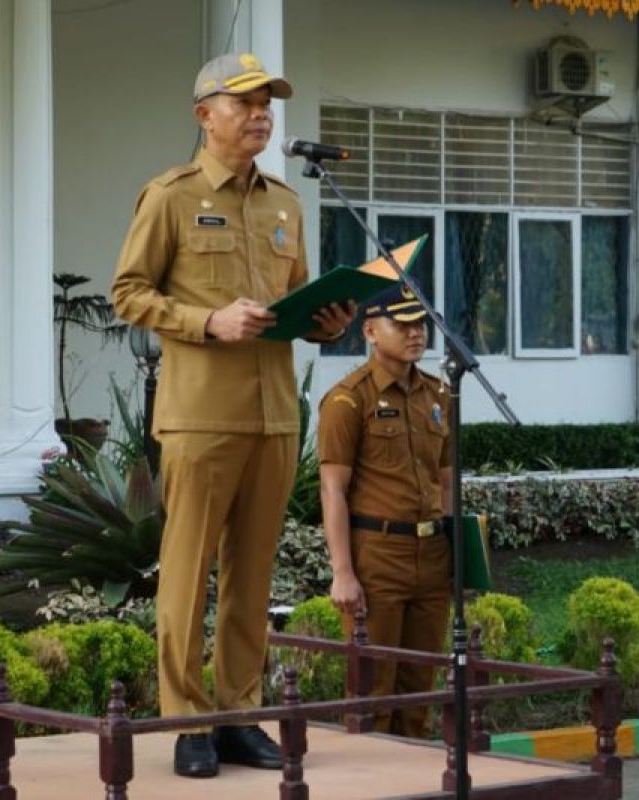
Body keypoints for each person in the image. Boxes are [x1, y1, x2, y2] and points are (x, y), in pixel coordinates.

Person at [110, 52, 354, 778]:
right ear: (203, 115)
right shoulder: (170, 196)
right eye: (244, 101)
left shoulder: (285, 202)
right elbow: (128, 292)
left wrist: (328, 320)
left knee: (253, 574)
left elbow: (298, 301)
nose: (260, 114)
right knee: (188, 573)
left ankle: (240, 712)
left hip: (275, 414)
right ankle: (188, 723)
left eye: (266, 102)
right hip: (201, 415)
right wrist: (207, 321)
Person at [316, 282, 452, 739]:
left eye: (421, 324)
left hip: (432, 555)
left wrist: (457, 552)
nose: (416, 334)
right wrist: (342, 572)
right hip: (379, 556)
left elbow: (446, 480)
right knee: (373, 697)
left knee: (420, 695)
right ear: (371, 331)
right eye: (402, 324)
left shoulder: (439, 395)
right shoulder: (348, 399)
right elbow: (333, 489)